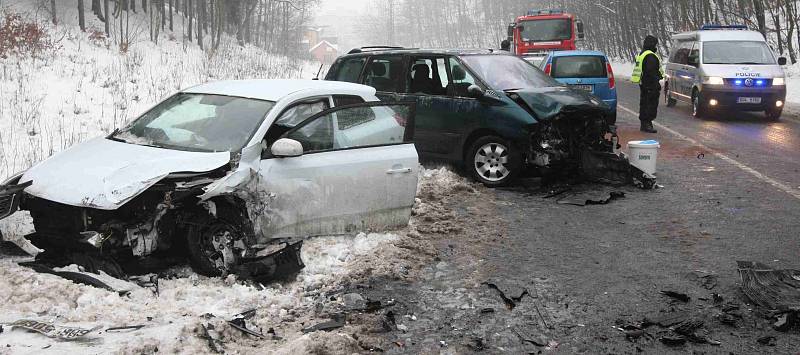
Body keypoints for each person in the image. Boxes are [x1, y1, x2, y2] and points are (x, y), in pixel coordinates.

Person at [631, 35, 664, 133]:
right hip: (650, 84)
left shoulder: (643, 53)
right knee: (650, 104)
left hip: (644, 83)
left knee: (644, 103)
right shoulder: (650, 55)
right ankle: (647, 124)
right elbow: (651, 71)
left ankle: (645, 124)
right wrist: (656, 81)